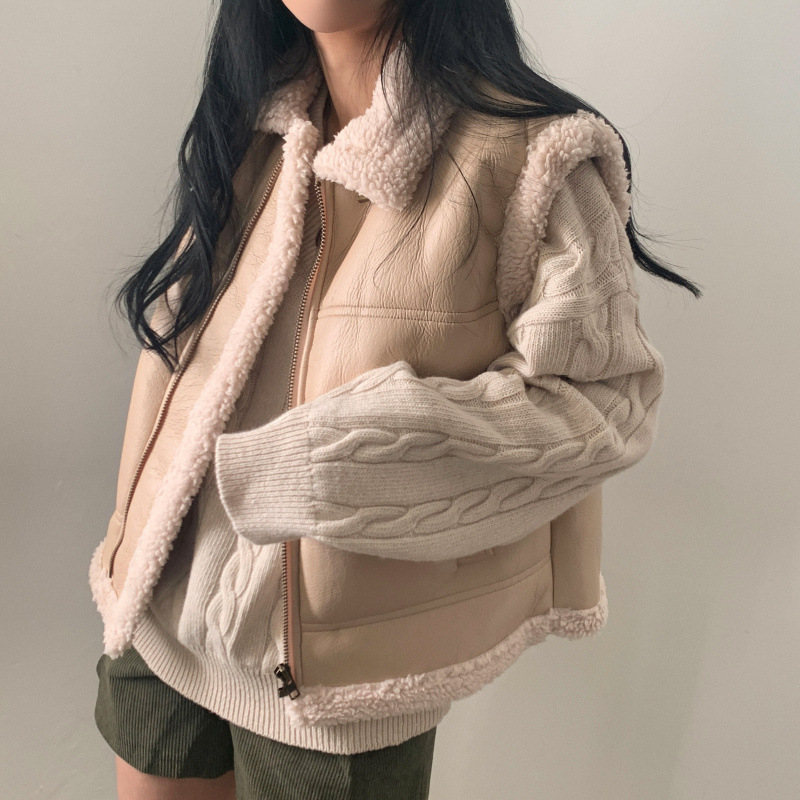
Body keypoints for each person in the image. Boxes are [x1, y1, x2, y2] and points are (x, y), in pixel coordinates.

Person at [88, 0, 702, 797]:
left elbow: (606, 405)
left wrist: (317, 467)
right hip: (156, 619)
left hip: (334, 694)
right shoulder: (255, 123)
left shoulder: (533, 157)